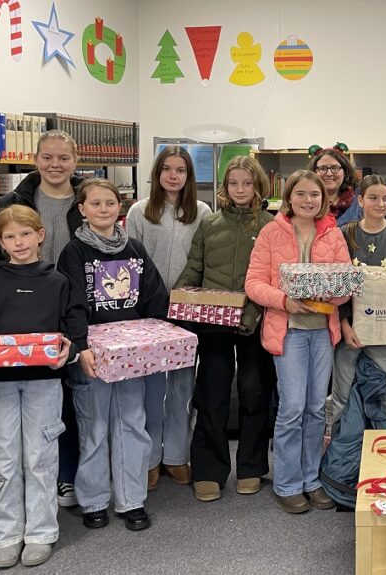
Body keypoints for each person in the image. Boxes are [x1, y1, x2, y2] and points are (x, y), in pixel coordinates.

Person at [0, 205, 79, 569]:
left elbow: (74, 329)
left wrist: (69, 351)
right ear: (0, 242)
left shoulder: (58, 281)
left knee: (41, 457)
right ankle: (8, 534)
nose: (19, 242)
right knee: (3, 457)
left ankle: (41, 533)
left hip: (44, 381)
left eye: (25, 234)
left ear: (40, 235)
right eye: (10, 236)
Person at [57, 179, 168, 532]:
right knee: (94, 427)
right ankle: (93, 500)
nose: (104, 209)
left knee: (132, 424)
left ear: (119, 208)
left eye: (110, 203)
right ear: (82, 210)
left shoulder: (133, 248)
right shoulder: (73, 253)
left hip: (131, 357)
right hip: (92, 356)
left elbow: (154, 295)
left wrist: (158, 334)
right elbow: (71, 304)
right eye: (96, 204)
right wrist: (81, 347)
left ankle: (131, 500)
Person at [0, 129, 85, 508]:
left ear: (75, 162)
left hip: (72, 307)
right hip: (27, 311)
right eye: (47, 157)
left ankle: (66, 475)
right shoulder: (15, 200)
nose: (55, 165)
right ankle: (24, 480)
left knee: (70, 399)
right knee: (36, 400)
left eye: (63, 158)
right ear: (36, 159)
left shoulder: (86, 201)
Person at [245, 170, 351, 514]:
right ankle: (288, 483)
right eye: (301, 194)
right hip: (287, 331)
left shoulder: (333, 234)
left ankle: (312, 480)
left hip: (322, 331)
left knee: (316, 408)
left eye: (315, 195)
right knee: (292, 409)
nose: (308, 200)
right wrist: (284, 300)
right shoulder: (271, 232)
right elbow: (254, 283)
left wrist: (330, 295)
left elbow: (345, 281)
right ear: (289, 197)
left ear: (325, 199)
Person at [175, 156, 275, 502]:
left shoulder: (271, 226)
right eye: (234, 184)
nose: (240, 190)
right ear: (225, 187)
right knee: (211, 395)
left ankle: (251, 467)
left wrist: (259, 310)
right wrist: (180, 298)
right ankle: (209, 470)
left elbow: (276, 276)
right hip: (214, 323)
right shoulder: (209, 224)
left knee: (255, 393)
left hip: (257, 322)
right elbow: (194, 268)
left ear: (259, 186)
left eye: (247, 183)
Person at [125, 146, 211, 492]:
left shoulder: (202, 212)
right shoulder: (139, 211)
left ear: (189, 177)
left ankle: (176, 456)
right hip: (150, 311)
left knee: (181, 386)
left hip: (187, 310)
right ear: (157, 173)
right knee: (150, 388)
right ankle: (149, 459)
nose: (173, 176)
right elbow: (130, 265)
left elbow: (204, 259)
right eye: (167, 169)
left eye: (180, 170)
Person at [330, 175, 386, 427]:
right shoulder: (344, 234)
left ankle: (382, 453)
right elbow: (339, 284)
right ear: (360, 200)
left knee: (384, 397)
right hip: (351, 332)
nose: (380, 204)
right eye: (373, 198)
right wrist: (344, 325)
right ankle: (342, 462)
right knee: (342, 394)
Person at [306, 145, 362, 226]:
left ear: (345, 172)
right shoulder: (306, 203)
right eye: (323, 168)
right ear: (314, 172)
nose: (329, 174)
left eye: (335, 168)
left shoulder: (358, 202)